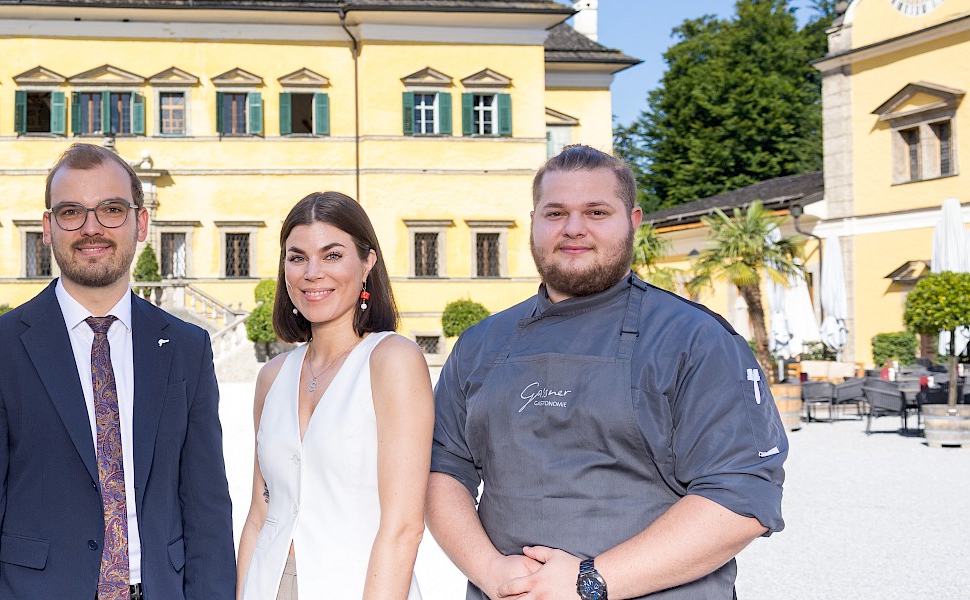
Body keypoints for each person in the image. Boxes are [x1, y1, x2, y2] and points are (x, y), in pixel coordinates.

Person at [427, 145, 788, 600]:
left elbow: (741, 496)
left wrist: (590, 580)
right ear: (534, 222)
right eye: (555, 213)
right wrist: (491, 571)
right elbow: (445, 470)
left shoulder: (695, 339)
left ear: (632, 221)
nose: (573, 228)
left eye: (596, 211)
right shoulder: (481, 344)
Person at [0, 143, 233, 600]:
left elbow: (207, 510)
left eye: (112, 209)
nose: (91, 228)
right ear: (48, 228)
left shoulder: (187, 349)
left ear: (142, 223)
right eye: (71, 211)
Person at [236, 192, 431, 600]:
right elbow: (260, 515)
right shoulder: (272, 376)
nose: (312, 273)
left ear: (367, 264)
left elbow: (403, 527)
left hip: (362, 587)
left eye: (332, 255)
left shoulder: (392, 360)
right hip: (266, 586)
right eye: (297, 257)